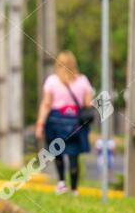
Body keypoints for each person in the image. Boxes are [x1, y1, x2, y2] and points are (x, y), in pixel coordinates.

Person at [34, 51, 94, 195]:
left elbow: (46, 104)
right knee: (74, 155)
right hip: (75, 122)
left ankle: (61, 183)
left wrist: (40, 124)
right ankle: (74, 189)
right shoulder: (83, 80)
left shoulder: (52, 81)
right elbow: (88, 103)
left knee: (57, 152)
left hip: (56, 121)